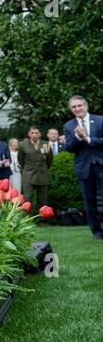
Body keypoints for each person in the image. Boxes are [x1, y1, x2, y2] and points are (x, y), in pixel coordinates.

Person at [62, 95, 103, 239]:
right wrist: (78, 138)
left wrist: (89, 139)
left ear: (86, 106)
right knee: (89, 201)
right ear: (71, 109)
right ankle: (97, 232)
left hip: (101, 164)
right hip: (84, 168)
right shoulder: (68, 126)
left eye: (79, 105)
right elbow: (68, 148)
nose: (77, 108)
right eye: (74, 107)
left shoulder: (100, 120)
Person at [22, 126, 51, 212]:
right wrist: (27, 168)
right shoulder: (22, 145)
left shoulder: (46, 144)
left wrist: (44, 168)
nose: (34, 135)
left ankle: (43, 219)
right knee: (28, 197)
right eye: (32, 133)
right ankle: (28, 221)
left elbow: (49, 159)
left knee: (43, 199)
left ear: (40, 134)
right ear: (28, 134)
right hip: (28, 174)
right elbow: (21, 160)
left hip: (42, 174)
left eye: (36, 133)